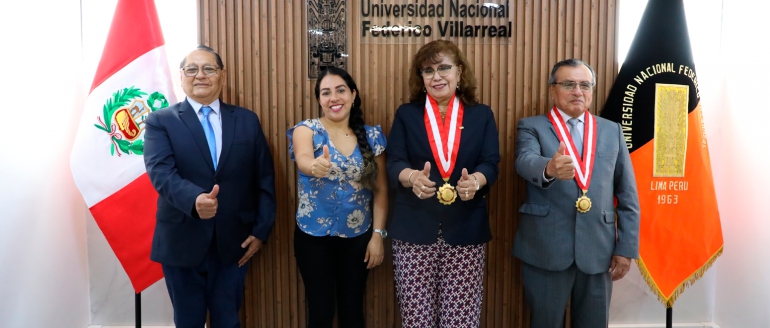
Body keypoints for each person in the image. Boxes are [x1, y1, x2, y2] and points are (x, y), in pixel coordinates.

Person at [143, 45, 276, 328]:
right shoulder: (160, 121)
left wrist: (261, 231)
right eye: (192, 69)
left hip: (233, 243)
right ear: (181, 77)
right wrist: (195, 201)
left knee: (228, 321)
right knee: (187, 322)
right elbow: (160, 173)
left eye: (208, 69)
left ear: (222, 75)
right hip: (182, 240)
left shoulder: (246, 120)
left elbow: (264, 178)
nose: (200, 75)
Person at [513, 58, 641, 327]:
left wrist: (626, 248)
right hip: (546, 248)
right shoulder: (532, 126)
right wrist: (549, 167)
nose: (577, 91)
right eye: (569, 84)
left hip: (599, 250)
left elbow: (628, 194)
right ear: (552, 89)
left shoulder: (611, 130)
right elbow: (524, 161)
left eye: (585, 84)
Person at [386, 40, 500, 328]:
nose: (436, 76)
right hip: (413, 228)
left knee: (460, 321)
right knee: (417, 320)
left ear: (459, 72)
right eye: (428, 70)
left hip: (466, 229)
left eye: (443, 68)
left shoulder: (481, 115)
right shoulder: (407, 114)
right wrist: (411, 178)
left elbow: (491, 163)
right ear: (421, 78)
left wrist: (476, 180)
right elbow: (394, 161)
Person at [287, 66, 388, 328]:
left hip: (358, 238)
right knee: (320, 312)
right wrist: (314, 167)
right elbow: (304, 160)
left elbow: (380, 190)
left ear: (353, 95)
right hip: (312, 239)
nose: (334, 98)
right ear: (319, 100)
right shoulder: (306, 129)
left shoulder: (373, 136)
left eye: (340, 90)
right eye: (326, 92)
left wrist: (378, 235)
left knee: (352, 312)